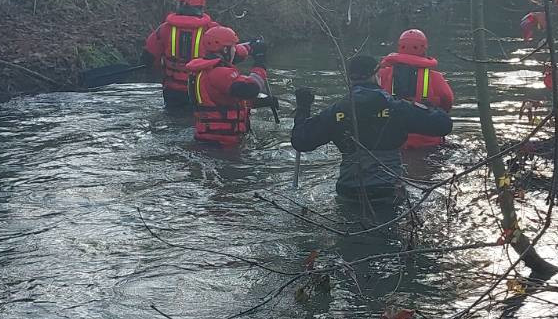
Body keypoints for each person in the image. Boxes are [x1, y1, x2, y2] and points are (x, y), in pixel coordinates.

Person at [290, 53, 452, 203]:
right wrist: (429, 107)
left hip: (348, 193)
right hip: (387, 193)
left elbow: (301, 141)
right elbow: (444, 125)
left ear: (350, 78)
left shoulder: (337, 110)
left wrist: (303, 109)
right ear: (376, 75)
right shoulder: (396, 107)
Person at [143, 0, 263, 108]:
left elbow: (148, 58)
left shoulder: (164, 29)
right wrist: (250, 48)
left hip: (172, 91)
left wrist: (163, 68)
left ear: (184, 4)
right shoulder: (212, 30)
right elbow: (235, 54)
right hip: (200, 90)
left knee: (173, 117)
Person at [185, 26, 271, 146]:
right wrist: (260, 65)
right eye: (233, 48)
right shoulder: (219, 73)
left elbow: (224, 101)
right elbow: (251, 89)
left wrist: (260, 103)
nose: (235, 50)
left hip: (209, 139)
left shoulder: (203, 69)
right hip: (223, 144)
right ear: (225, 50)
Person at [377, 29, 454, 149]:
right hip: (428, 142)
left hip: (393, 142)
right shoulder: (435, 77)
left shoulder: (382, 75)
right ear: (424, 48)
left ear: (399, 47)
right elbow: (447, 104)